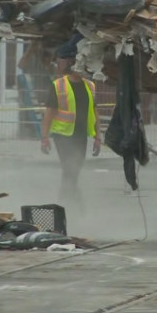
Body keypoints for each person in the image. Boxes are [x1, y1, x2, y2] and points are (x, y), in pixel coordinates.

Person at [40, 53, 101, 205]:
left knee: (75, 170)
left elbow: (95, 112)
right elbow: (49, 113)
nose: (85, 70)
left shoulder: (90, 86)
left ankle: (70, 202)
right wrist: (44, 137)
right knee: (69, 169)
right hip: (63, 135)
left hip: (81, 135)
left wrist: (98, 137)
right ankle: (68, 203)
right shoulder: (58, 85)